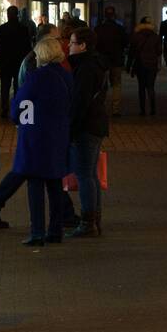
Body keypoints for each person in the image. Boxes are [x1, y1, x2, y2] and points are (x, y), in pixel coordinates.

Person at [0, 23, 77, 231]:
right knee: (43, 174)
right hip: (41, 132)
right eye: (56, 39)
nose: (61, 42)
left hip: (36, 131)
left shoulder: (40, 67)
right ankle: (55, 222)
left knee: (27, 171)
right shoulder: (39, 67)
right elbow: (29, 99)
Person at [10, 33, 74, 248]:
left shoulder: (36, 76)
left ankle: (37, 231)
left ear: (42, 55)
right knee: (56, 185)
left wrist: (17, 117)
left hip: (36, 138)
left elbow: (21, 103)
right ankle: (55, 230)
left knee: (35, 186)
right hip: (58, 136)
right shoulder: (66, 76)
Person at [66, 26, 109, 238]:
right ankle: (94, 218)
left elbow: (79, 103)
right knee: (90, 174)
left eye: (72, 43)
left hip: (86, 127)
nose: (68, 46)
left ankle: (88, 221)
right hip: (96, 125)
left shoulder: (85, 68)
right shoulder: (96, 64)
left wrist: (71, 129)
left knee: (84, 174)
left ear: (82, 46)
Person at [0, 5, 32, 119]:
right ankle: (17, 109)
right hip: (19, 63)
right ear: (17, 15)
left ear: (7, 15)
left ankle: (4, 109)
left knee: (4, 87)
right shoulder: (23, 29)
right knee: (18, 87)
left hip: (5, 63)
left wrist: (1, 57)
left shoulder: (1, 29)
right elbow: (27, 47)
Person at [94, 6, 127, 117]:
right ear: (114, 16)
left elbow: (95, 45)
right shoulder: (120, 29)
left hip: (102, 61)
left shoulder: (98, 29)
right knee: (116, 85)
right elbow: (125, 44)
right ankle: (115, 109)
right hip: (117, 60)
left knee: (102, 85)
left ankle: (100, 108)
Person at [127, 17, 161, 116]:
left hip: (140, 64)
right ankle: (153, 109)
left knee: (141, 87)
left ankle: (142, 110)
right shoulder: (156, 36)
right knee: (150, 86)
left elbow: (131, 52)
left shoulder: (136, 36)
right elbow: (159, 52)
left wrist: (128, 66)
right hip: (152, 64)